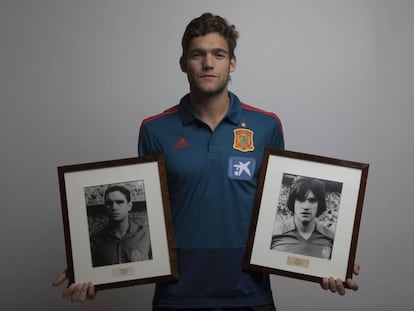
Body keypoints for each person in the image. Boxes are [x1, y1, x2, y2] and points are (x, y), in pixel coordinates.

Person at [53, 12, 360, 307]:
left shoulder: (267, 126)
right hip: (177, 297)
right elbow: (148, 218)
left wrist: (329, 258)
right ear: (183, 63)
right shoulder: (155, 130)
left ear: (233, 63)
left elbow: (277, 207)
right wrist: (91, 268)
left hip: (250, 294)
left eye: (219, 54)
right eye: (198, 54)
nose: (208, 63)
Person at [270, 177, 334, 259]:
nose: (306, 206)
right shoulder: (274, 236)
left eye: (312, 200)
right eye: (300, 200)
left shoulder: (331, 239)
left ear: (320, 204)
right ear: (293, 202)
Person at [89, 185, 152, 267]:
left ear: (129, 206)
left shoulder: (146, 235)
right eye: (109, 203)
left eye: (119, 202)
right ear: (105, 208)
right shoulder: (94, 241)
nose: (114, 207)